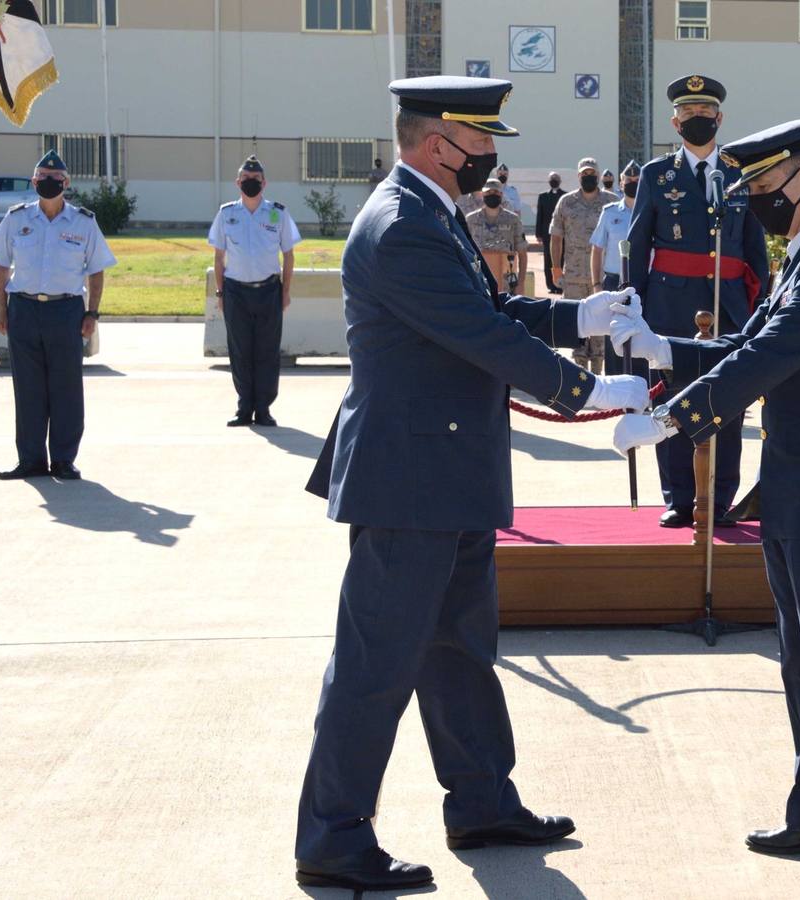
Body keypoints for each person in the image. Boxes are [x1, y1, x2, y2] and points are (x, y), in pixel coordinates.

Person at [294, 75, 647, 894]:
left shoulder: (425, 211)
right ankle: (334, 834)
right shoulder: (401, 224)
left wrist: (577, 316)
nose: (491, 158)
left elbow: (488, 309)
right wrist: (585, 388)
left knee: (459, 650)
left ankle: (482, 801)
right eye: (481, 143)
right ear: (440, 144)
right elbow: (477, 332)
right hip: (410, 477)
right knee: (375, 663)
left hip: (442, 471)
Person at [609, 118, 800, 881]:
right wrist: (666, 352)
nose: (752, 203)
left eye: (760, 188)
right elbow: (748, 344)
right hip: (796, 486)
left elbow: (765, 360)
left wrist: (667, 419)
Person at [627, 74, 769, 528]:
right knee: (670, 401)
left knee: (727, 399)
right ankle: (679, 497)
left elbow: (755, 250)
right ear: (675, 122)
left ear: (719, 117)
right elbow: (639, 242)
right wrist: (634, 310)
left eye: (705, 113)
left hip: (728, 306)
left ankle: (721, 496)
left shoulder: (738, 175)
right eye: (688, 114)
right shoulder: (655, 175)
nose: (697, 120)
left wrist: (760, 311)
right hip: (668, 305)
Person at [0, 148, 116, 481]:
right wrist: (2, 308)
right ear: (34, 181)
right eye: (43, 177)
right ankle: (30, 460)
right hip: (24, 309)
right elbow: (0, 265)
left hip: (66, 311)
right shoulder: (16, 219)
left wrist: (92, 313)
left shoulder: (84, 222)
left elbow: (97, 270)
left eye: (55, 178)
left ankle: (62, 460)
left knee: (66, 388)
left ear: (66, 182)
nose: (49, 182)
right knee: (27, 389)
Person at [207, 155, 301, 427]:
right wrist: (220, 293)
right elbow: (218, 258)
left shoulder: (278, 213)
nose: (251, 183)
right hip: (236, 292)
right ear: (238, 182)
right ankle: (244, 408)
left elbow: (289, 256)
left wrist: (285, 292)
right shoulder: (227, 214)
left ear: (265, 183)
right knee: (240, 351)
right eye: (246, 180)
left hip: (269, 291)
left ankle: (264, 409)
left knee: (267, 352)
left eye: (256, 180)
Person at [550, 156, 619, 374]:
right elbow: (556, 236)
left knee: (601, 327)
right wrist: (555, 267)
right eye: (584, 174)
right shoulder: (566, 202)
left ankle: (598, 375)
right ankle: (579, 377)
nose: (589, 177)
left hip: (602, 276)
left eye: (592, 174)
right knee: (576, 325)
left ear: (598, 176)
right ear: (578, 176)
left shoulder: (611, 202)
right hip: (574, 276)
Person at [589, 160, 641, 375]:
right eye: (628, 180)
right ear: (620, 183)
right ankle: (614, 385)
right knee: (614, 334)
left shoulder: (650, 211)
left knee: (640, 335)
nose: (632, 184)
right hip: (614, 282)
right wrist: (596, 284)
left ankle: (640, 384)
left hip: (641, 282)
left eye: (636, 181)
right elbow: (597, 249)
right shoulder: (610, 213)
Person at [465, 176, 528, 290]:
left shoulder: (513, 220)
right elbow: (464, 251)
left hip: (506, 282)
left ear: (501, 195)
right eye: (488, 192)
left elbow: (522, 253)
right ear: (483, 195)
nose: (492, 194)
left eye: (496, 192)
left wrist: (521, 282)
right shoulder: (471, 220)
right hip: (479, 280)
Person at [536, 171, 565, 293]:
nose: (554, 180)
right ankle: (550, 285)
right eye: (552, 178)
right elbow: (540, 216)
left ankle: (560, 285)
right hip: (547, 234)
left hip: (562, 234)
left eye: (556, 178)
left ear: (560, 181)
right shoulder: (543, 196)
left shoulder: (565, 196)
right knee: (548, 260)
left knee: (561, 259)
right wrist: (538, 234)